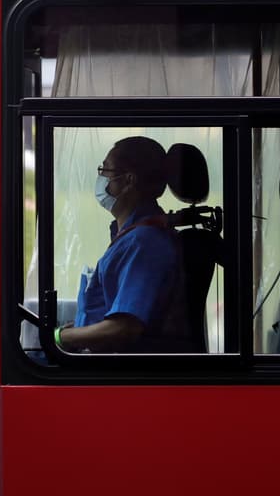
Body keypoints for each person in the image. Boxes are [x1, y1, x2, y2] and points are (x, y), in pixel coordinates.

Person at [55, 136, 191, 353]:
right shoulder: (131, 235)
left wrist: (61, 337)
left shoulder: (144, 243)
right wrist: (81, 329)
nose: (100, 178)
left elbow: (124, 328)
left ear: (128, 181)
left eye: (105, 171)